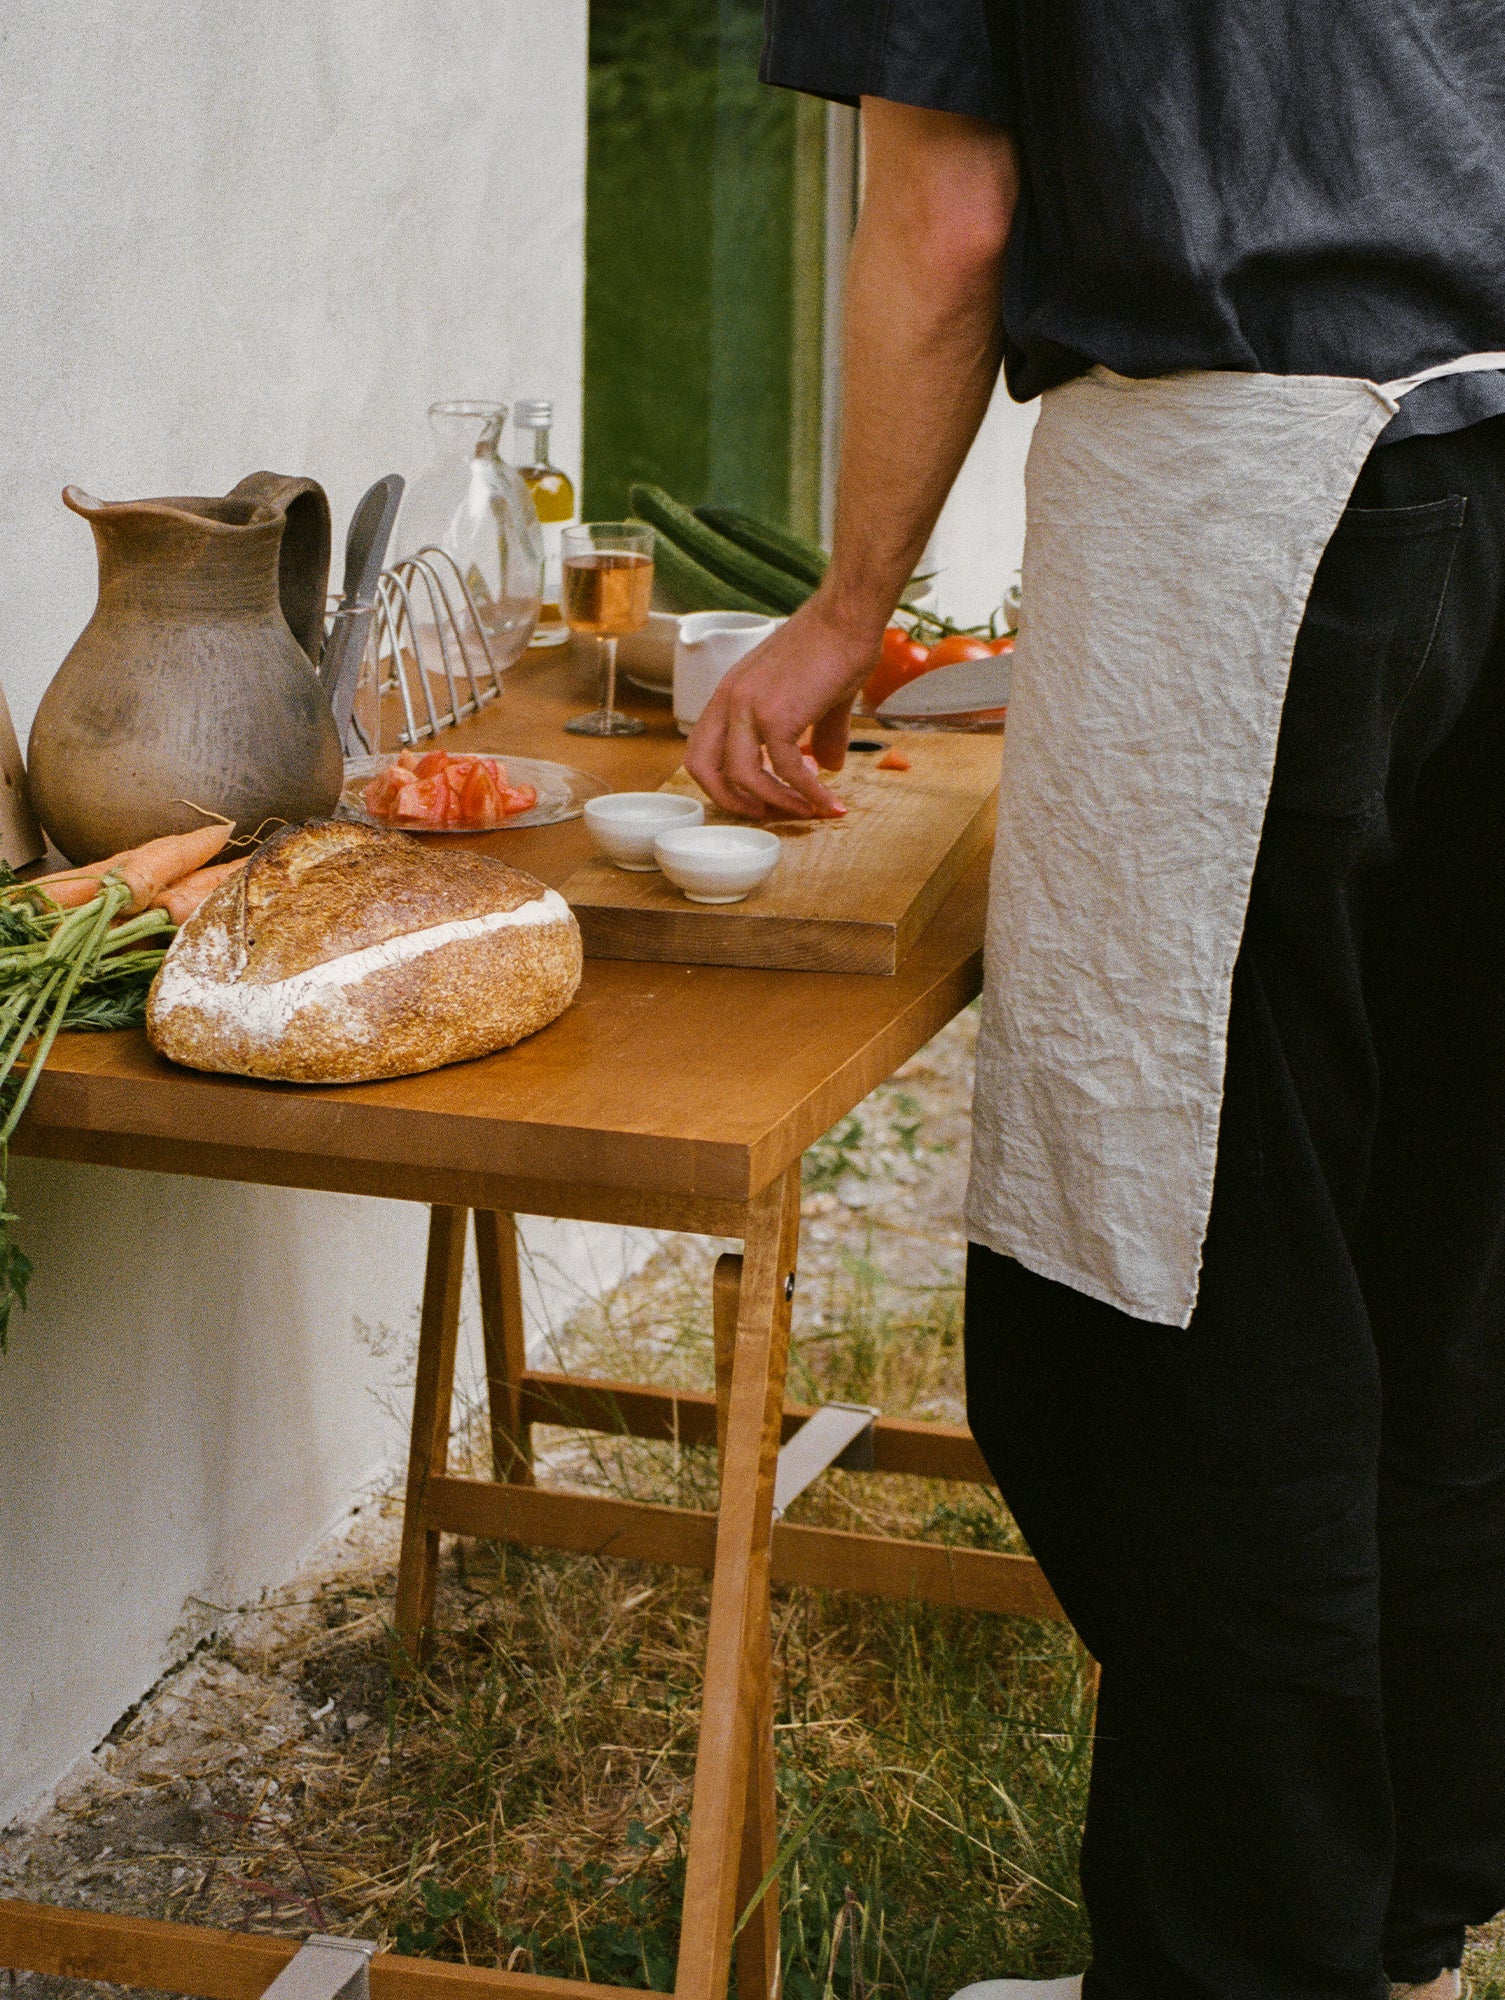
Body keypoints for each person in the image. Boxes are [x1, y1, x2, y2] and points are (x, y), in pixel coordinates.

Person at [683, 7, 1505, 1999]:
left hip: (1256, 517)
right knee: (1439, 1250)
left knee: (1182, 1315)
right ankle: (1399, 1896)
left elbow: (950, 220)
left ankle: (1252, 1955)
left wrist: (843, 608)